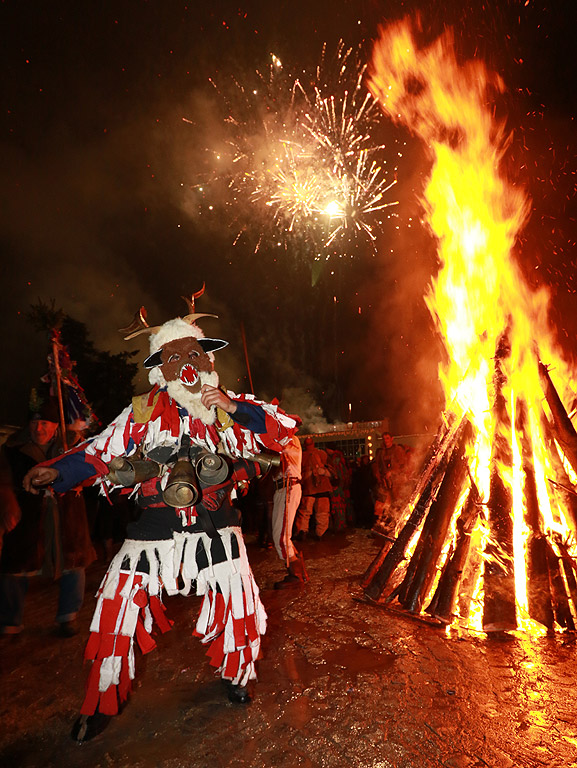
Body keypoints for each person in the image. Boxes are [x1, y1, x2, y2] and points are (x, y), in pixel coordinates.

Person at [23, 305, 299, 743]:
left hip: (216, 529)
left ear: (208, 360)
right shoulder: (140, 414)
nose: (187, 366)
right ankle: (101, 703)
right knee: (114, 610)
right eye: (174, 358)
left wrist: (232, 407)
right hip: (152, 535)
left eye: (194, 356)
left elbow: (281, 432)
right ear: (159, 370)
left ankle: (236, 675)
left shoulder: (230, 407)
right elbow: (98, 452)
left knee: (238, 609)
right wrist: (59, 472)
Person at [0, 400, 96, 637]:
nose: (39, 428)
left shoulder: (71, 446)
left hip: (67, 515)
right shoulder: (13, 449)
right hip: (28, 517)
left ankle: (68, 616)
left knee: (72, 564)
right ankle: (10, 620)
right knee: (16, 567)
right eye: (34, 422)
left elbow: (91, 473)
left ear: (56, 426)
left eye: (45, 423)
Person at [270, 435, 308, 588]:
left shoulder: (289, 438)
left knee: (281, 538)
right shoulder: (282, 437)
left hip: (289, 487)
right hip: (283, 488)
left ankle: (296, 575)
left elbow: (278, 452)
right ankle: (299, 572)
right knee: (282, 536)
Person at [294, 438, 332, 541]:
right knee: (320, 513)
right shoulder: (319, 454)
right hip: (316, 489)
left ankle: (304, 531)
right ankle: (319, 533)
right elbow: (331, 470)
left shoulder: (302, 456)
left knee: (307, 513)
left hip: (311, 489)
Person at [373, 432, 409, 536]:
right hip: (386, 482)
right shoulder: (381, 452)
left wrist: (392, 472)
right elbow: (378, 466)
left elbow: (403, 465)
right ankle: (384, 526)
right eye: (384, 438)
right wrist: (380, 476)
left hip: (397, 482)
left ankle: (399, 524)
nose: (386, 440)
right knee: (384, 504)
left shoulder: (397, 450)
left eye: (388, 438)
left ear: (392, 439)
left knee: (397, 502)